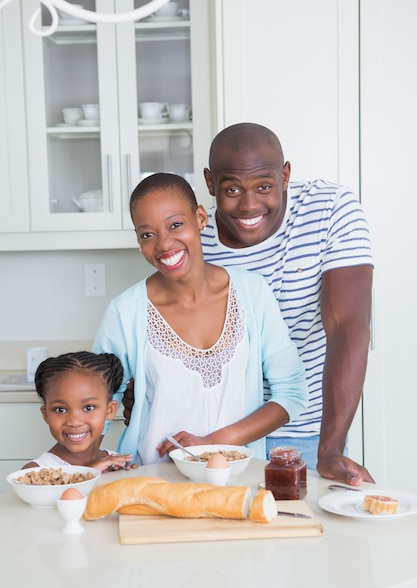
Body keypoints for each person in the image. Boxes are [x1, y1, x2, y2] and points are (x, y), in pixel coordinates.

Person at [198, 122, 374, 485]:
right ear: (210, 184)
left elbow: (347, 326)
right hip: (217, 435)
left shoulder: (329, 210)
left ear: (285, 175)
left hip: (305, 433)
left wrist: (331, 449)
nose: (249, 205)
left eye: (264, 186)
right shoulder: (193, 238)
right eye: (232, 189)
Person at [93, 172, 308, 465]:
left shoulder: (253, 293)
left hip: (238, 479)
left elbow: (292, 394)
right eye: (147, 234)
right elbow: (94, 402)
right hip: (154, 481)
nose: (164, 244)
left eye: (176, 225)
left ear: (200, 218)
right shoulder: (125, 312)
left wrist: (214, 442)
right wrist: (82, 467)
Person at [22, 351, 137, 472]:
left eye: (88, 408)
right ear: (46, 414)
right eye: (60, 409)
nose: (74, 421)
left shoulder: (115, 464)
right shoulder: (34, 473)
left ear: (110, 410)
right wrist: (89, 474)